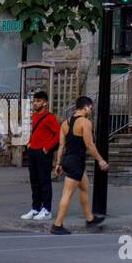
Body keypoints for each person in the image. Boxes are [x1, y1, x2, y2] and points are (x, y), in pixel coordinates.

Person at [50, 97, 107, 235]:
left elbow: (61, 146)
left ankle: (90, 219)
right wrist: (100, 160)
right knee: (67, 194)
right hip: (76, 162)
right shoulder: (85, 123)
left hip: (70, 160)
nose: (90, 111)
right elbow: (89, 145)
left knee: (85, 187)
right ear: (86, 107)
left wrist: (58, 163)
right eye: (90, 108)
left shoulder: (65, 123)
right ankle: (57, 225)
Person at [22, 90, 59, 221]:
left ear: (45, 103)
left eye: (38, 101)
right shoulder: (34, 116)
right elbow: (36, 132)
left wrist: (47, 148)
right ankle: (35, 208)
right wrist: (30, 143)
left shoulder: (50, 118)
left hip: (43, 153)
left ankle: (47, 209)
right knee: (34, 182)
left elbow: (58, 134)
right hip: (33, 152)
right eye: (35, 101)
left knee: (44, 181)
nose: (35, 103)